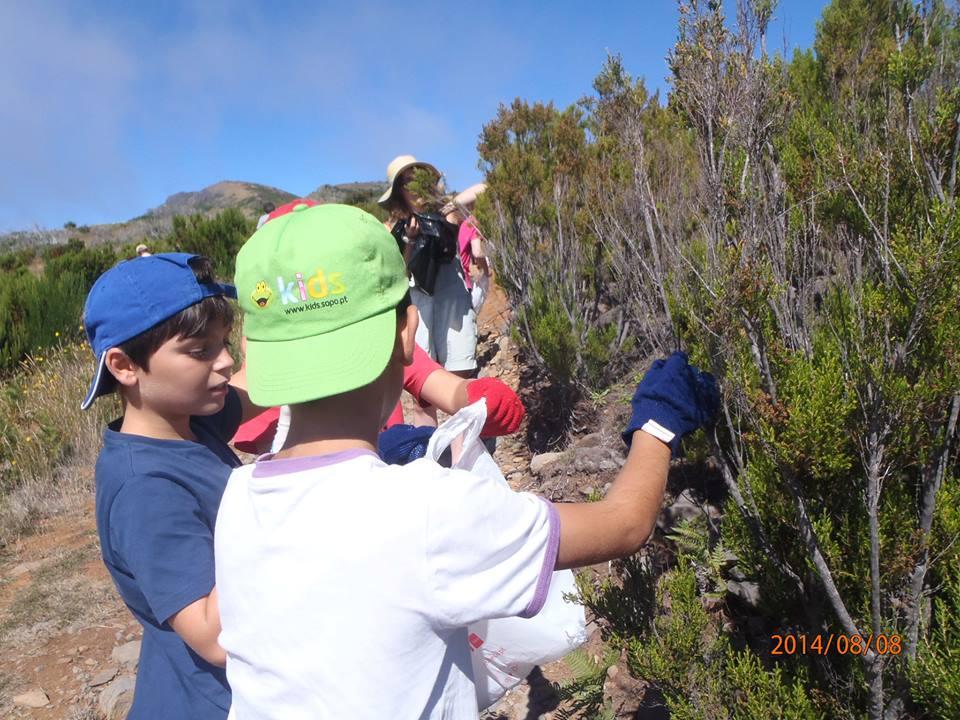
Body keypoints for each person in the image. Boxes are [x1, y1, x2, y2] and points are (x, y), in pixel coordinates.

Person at [216, 204, 718, 718]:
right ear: (408, 328)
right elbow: (625, 524)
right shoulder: (427, 511)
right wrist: (658, 421)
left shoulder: (235, 499)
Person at [81, 253, 267, 720]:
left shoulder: (186, 422)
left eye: (225, 343)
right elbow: (213, 636)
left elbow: (255, 383)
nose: (226, 361)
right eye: (200, 350)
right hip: (211, 705)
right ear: (124, 365)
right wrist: (284, 511)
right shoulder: (145, 489)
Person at [231, 198, 523, 455]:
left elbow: (221, 409)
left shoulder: (242, 497)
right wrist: (473, 397)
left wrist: (467, 395)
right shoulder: (378, 332)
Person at [379, 154, 490, 428]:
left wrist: (448, 204)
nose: (413, 186)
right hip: (419, 304)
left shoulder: (447, 213)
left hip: (453, 300)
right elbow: (397, 273)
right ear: (398, 192)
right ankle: (425, 458)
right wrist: (409, 241)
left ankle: (461, 461)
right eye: (406, 182)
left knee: (459, 384)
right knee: (424, 395)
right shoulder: (392, 228)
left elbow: (485, 188)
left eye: (418, 179)